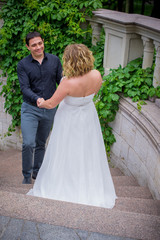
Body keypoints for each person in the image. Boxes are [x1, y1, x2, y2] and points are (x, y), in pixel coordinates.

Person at [28, 43, 117, 208]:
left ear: (69, 61)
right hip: (88, 116)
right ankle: (89, 186)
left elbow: (51, 104)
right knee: (88, 151)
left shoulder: (67, 83)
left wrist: (41, 102)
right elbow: (93, 92)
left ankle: (65, 185)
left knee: (65, 151)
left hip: (69, 119)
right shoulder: (97, 75)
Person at [17, 31, 62, 184]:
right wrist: (37, 99)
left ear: (43, 42)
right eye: (34, 45)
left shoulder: (55, 61)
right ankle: (26, 176)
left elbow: (61, 82)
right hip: (30, 108)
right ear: (27, 47)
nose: (38, 47)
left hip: (50, 108)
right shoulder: (23, 65)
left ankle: (37, 173)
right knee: (28, 143)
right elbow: (25, 88)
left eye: (40, 43)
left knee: (41, 143)